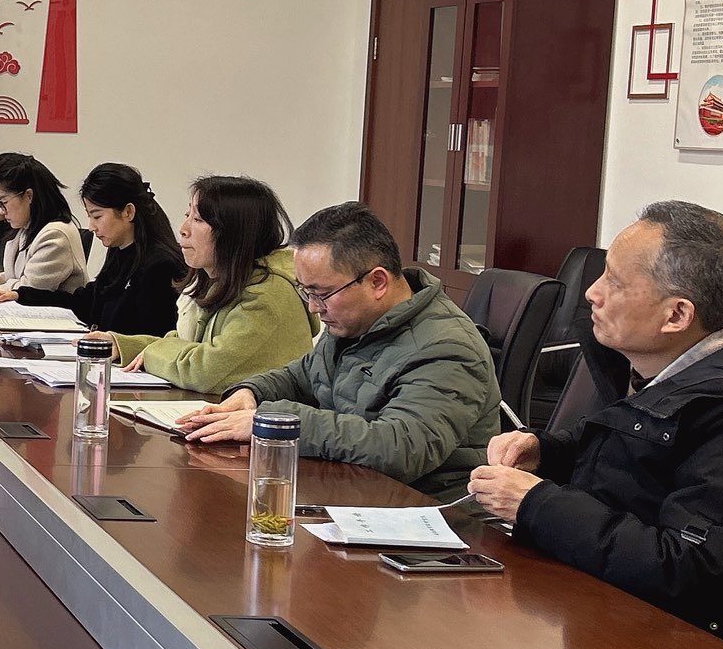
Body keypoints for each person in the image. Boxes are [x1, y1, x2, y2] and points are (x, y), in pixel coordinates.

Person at [466, 202, 723, 649]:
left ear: (677, 315)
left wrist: (536, 503)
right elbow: (630, 447)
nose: (592, 293)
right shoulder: (668, 364)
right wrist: (547, 452)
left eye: (615, 282)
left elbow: (686, 566)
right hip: (621, 620)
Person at [178, 201, 498, 496]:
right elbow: (301, 376)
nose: (314, 308)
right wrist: (250, 393)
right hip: (355, 492)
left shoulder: (446, 346)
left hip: (428, 512)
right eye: (307, 292)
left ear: (377, 282)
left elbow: (402, 449)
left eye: (322, 293)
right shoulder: (355, 321)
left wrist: (276, 421)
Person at [117, 175, 315, 388]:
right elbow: (187, 344)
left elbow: (204, 371)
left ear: (234, 231)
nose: (183, 229)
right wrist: (122, 346)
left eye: (198, 219)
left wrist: (152, 352)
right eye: (187, 215)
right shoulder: (222, 281)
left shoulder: (268, 295)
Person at [6, 163, 184, 336]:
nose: (91, 227)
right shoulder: (119, 250)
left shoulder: (160, 266)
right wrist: (22, 296)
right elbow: (86, 302)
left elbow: (152, 339)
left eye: (97, 216)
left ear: (128, 212)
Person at [0, 153, 88, 295]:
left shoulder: (55, 235)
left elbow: (28, 290)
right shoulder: (26, 228)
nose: (2, 211)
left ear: (29, 196)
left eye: (3, 202)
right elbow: (11, 277)